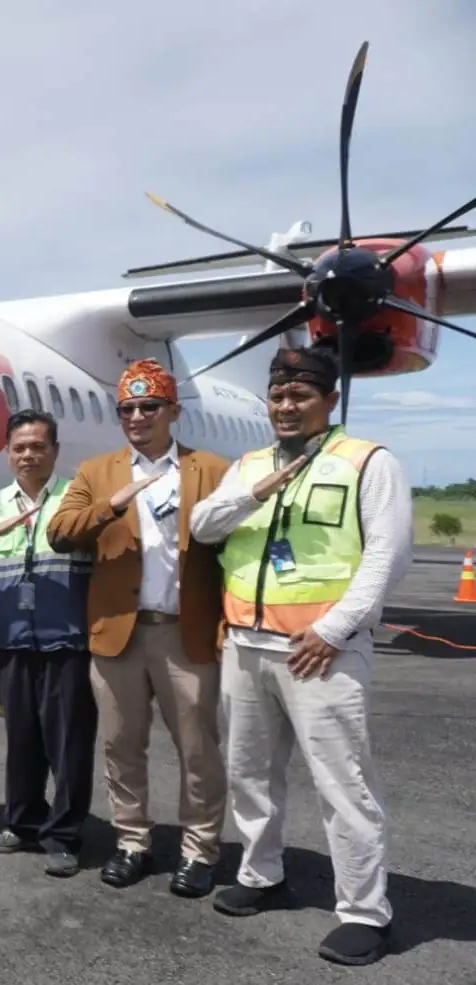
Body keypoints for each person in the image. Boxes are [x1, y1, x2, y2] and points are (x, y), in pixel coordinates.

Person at [189, 346, 410, 967]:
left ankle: (365, 910)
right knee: (250, 773)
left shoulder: (368, 462)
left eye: (300, 396)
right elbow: (206, 526)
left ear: (329, 401)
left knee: (344, 783)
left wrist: (336, 629)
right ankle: (262, 874)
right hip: (246, 645)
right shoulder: (250, 464)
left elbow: (387, 557)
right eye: (278, 397)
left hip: (320, 653)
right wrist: (257, 491)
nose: (286, 406)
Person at [44, 358, 229, 898]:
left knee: (198, 749)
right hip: (118, 632)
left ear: (173, 410)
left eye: (150, 406)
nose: (138, 416)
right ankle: (132, 841)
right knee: (122, 745)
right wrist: (112, 504)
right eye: (128, 408)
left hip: (184, 631)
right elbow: (61, 531)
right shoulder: (97, 472)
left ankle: (199, 850)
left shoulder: (211, 469)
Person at [0, 409, 96, 877]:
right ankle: (22, 823)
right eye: (19, 448)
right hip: (13, 640)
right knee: (23, 739)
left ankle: (64, 835)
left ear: (54, 450)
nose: (28, 455)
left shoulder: (77, 499)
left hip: (67, 640)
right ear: (7, 453)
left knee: (68, 743)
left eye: (37, 447)